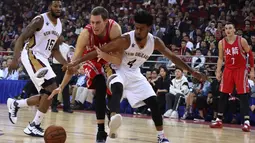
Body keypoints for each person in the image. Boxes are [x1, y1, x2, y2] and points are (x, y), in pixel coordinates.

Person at [51, 9, 207, 143]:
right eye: (136, 27)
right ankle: (113, 116)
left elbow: (173, 57)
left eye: (141, 28)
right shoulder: (126, 39)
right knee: (117, 87)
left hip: (134, 73)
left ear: (149, 28)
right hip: (115, 68)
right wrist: (76, 62)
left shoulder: (156, 42)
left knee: (153, 102)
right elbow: (99, 51)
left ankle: (161, 137)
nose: (138, 31)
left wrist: (192, 71)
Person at [50, 6, 122, 142]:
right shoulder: (85, 34)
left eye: (98, 22)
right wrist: (62, 86)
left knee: (114, 86)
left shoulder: (114, 29)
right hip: (91, 60)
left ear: (106, 21)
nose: (94, 26)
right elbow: (74, 63)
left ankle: (111, 114)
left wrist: (107, 57)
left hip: (108, 58)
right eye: (92, 22)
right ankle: (101, 132)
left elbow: (119, 58)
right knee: (100, 85)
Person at [7, 0, 65, 137]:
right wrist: (15, 59)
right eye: (55, 6)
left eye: (60, 6)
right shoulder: (40, 20)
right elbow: (21, 38)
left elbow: (55, 49)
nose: (58, 8)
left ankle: (16, 104)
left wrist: (65, 63)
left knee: (49, 94)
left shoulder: (59, 25)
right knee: (51, 87)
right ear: (50, 6)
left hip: (43, 58)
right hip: (31, 54)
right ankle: (34, 125)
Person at [210, 22, 254, 132]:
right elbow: (220, 58)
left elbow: (250, 54)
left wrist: (252, 69)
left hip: (240, 69)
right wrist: (218, 71)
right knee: (223, 94)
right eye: (226, 29)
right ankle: (219, 119)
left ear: (234, 30)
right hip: (228, 69)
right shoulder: (222, 43)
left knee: (243, 95)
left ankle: (246, 122)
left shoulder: (241, 40)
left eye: (230, 28)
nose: (228, 30)